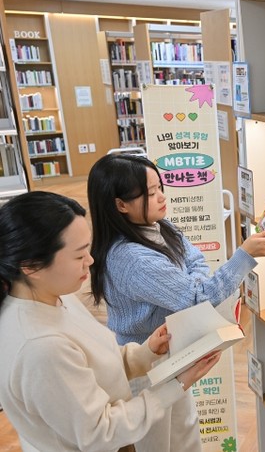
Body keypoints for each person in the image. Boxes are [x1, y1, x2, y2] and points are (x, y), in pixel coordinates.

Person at [0, 191, 222, 452]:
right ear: (31, 266)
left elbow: (93, 366)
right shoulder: (40, 346)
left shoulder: (55, 297)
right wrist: (177, 385)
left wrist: (146, 352)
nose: (91, 261)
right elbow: (99, 432)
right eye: (79, 255)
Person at [87, 153, 265, 451]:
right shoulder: (131, 258)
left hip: (169, 353)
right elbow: (197, 298)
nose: (162, 197)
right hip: (146, 364)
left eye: (159, 187)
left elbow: (195, 261)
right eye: (150, 193)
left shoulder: (157, 226)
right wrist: (244, 256)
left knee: (184, 434)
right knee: (160, 443)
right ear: (121, 205)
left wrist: (193, 286)